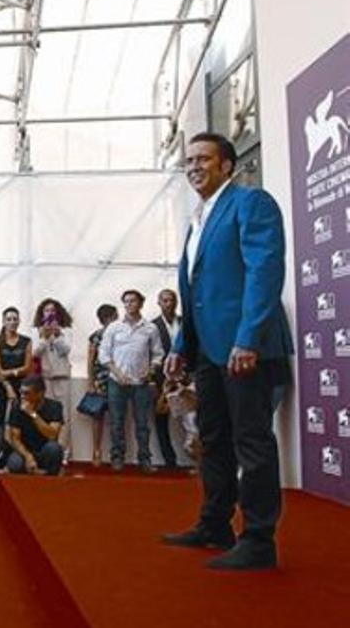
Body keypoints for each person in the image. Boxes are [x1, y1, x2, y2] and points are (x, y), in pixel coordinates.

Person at [162, 132, 291, 571]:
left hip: (243, 348)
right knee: (213, 440)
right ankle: (215, 523)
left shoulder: (250, 204)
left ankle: (258, 540)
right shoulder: (197, 219)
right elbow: (195, 291)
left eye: (204, 159)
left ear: (226, 166)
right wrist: (182, 344)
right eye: (189, 160)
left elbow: (264, 272)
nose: (194, 166)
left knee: (251, 441)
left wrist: (248, 338)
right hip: (208, 352)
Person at [99, 290, 163, 472]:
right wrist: (117, 373)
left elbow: (158, 354)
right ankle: (117, 457)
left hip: (141, 383)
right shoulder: (113, 327)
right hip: (116, 382)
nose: (129, 304)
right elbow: (103, 354)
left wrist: (150, 371)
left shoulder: (150, 328)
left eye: (133, 301)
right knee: (117, 422)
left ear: (141, 303)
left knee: (142, 424)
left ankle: (145, 459)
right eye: (126, 301)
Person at [32, 298, 73, 462]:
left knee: (64, 416)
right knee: (46, 416)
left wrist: (56, 336)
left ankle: (64, 451)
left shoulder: (66, 331)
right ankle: (48, 450)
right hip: (44, 379)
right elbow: (34, 353)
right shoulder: (36, 332)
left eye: (53, 310)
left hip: (62, 377)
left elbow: (66, 351)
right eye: (47, 310)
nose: (50, 313)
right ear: (42, 313)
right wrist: (43, 337)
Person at [4, 376, 65, 476]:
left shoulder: (55, 406)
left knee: (54, 449)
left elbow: (52, 435)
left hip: (44, 450)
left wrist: (32, 414)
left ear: (40, 394)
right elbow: (15, 439)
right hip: (24, 450)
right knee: (15, 464)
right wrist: (28, 456)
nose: (22, 396)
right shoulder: (16, 406)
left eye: (26, 393)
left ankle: (50, 479)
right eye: (21, 392)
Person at [0, 307, 32, 436]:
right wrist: (8, 387)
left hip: (21, 386)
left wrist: (10, 372)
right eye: (9, 319)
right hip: (0, 385)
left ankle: (19, 450)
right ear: (3, 322)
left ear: (19, 321)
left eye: (15, 319)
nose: (12, 322)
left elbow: (27, 368)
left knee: (20, 419)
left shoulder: (26, 341)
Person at [151, 289, 182, 469]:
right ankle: (169, 461)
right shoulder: (153, 326)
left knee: (191, 420)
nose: (167, 303)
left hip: (183, 377)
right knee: (161, 419)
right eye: (164, 300)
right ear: (159, 303)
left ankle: (198, 459)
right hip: (161, 378)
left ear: (176, 302)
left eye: (170, 300)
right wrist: (154, 381)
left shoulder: (184, 322)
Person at [85, 304, 119, 465]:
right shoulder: (96, 336)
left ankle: (116, 452)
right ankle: (96, 450)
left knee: (117, 417)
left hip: (118, 379)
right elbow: (90, 361)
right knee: (97, 416)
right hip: (101, 380)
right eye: (115, 316)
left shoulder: (121, 335)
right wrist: (91, 382)